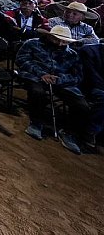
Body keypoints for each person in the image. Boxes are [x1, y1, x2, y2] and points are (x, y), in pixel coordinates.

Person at [16, 25, 93, 154]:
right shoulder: (32, 43)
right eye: (57, 39)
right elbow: (22, 60)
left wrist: (59, 79)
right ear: (49, 36)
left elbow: (77, 76)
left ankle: (69, 132)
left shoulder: (73, 55)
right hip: (35, 76)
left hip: (61, 82)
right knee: (37, 92)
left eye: (64, 41)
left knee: (82, 106)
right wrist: (41, 74)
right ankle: (36, 122)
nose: (60, 43)